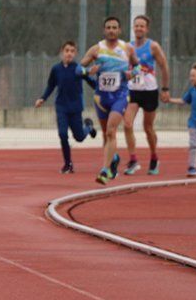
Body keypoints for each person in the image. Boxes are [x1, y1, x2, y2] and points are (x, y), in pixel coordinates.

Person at [77, 16, 140, 185]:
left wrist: (131, 74)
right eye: (108, 27)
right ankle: (114, 158)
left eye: (114, 27)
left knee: (111, 131)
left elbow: (139, 67)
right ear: (104, 30)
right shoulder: (96, 49)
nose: (111, 30)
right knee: (106, 135)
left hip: (120, 96)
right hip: (101, 97)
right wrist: (89, 70)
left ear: (119, 30)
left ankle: (104, 171)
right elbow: (78, 68)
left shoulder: (127, 48)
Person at [35, 40, 98, 173]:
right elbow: (51, 86)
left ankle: (89, 127)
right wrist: (42, 98)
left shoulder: (78, 69)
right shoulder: (56, 69)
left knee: (79, 138)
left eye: (72, 51)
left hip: (75, 108)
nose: (69, 53)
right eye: (67, 51)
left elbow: (91, 82)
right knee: (63, 134)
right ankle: (68, 164)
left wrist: (99, 86)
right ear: (61, 53)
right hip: (61, 107)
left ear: (75, 54)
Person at [124, 15, 171, 175]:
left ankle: (154, 157)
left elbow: (164, 66)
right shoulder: (128, 47)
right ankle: (133, 160)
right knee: (127, 124)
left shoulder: (153, 46)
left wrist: (165, 89)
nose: (139, 28)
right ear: (133, 28)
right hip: (133, 90)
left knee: (148, 128)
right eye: (136, 26)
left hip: (150, 90)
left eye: (142, 26)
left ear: (147, 29)